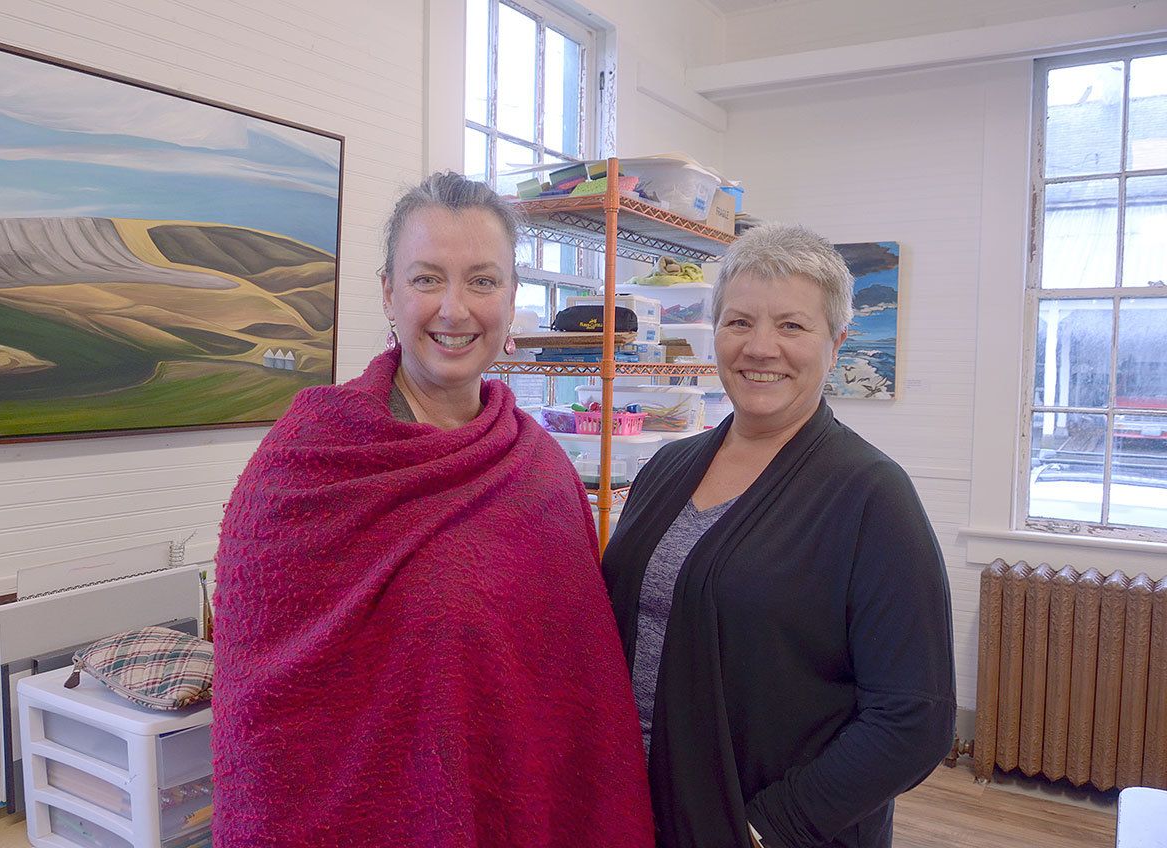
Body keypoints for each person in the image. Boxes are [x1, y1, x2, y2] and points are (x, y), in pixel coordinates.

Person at [212, 172, 653, 848]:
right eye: (426, 279)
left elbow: (575, 697)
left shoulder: (540, 472)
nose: (454, 309)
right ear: (389, 293)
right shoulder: (305, 464)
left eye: (482, 280)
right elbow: (264, 705)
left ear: (511, 299)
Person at [602, 224, 955, 848]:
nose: (760, 347)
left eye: (792, 326)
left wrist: (769, 827)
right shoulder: (664, 469)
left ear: (837, 342)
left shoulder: (871, 496)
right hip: (637, 811)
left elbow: (912, 719)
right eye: (739, 322)